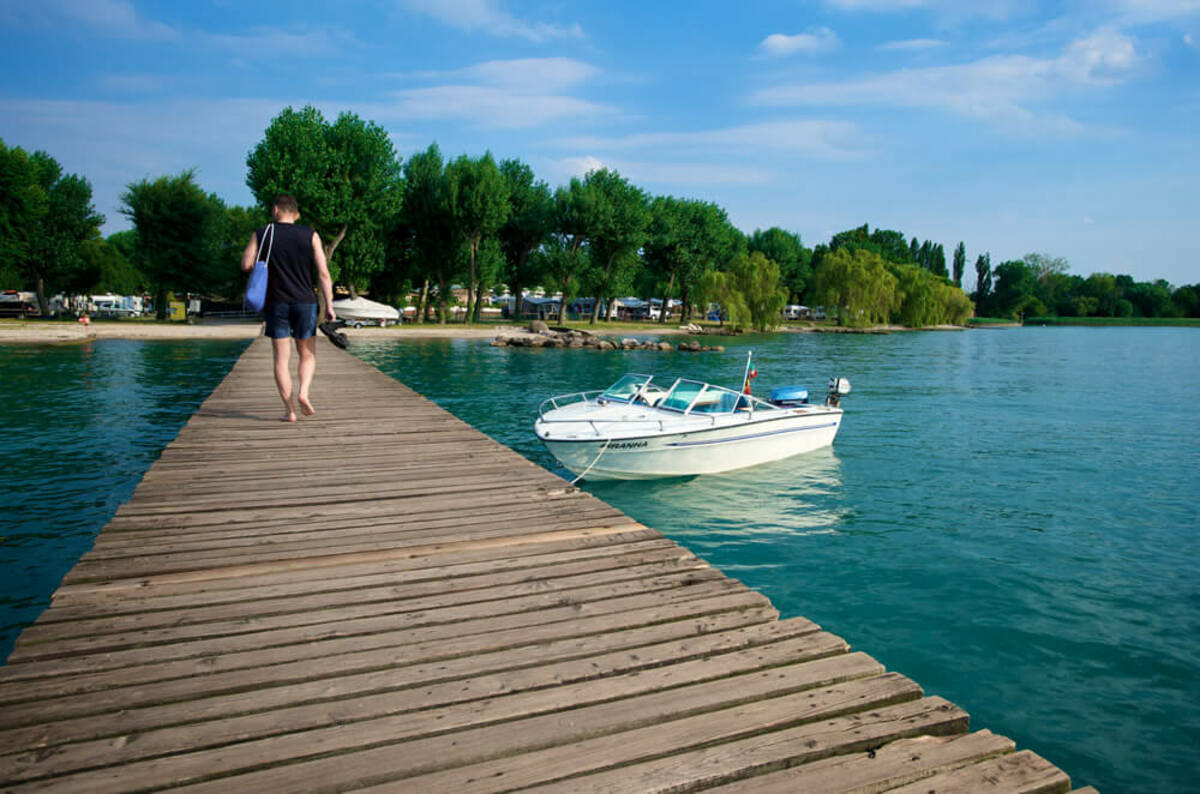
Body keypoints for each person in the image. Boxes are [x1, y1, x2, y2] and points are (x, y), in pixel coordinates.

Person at [240, 194, 336, 422]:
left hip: (277, 302)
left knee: (281, 360)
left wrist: (262, 263)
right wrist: (329, 305)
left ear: (275, 210)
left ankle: (290, 411)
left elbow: (245, 264)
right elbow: (323, 273)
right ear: (297, 214)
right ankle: (304, 392)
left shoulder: (263, 233)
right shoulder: (311, 235)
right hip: (305, 302)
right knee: (307, 354)